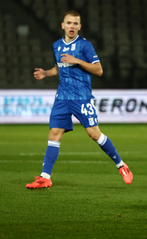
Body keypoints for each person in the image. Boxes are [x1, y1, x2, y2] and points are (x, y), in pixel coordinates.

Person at [26, 11, 133, 189]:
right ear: (63, 25)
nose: (72, 27)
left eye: (75, 24)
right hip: (62, 97)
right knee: (54, 134)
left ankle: (121, 165)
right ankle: (45, 177)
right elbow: (59, 68)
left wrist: (78, 60)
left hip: (82, 97)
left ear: (79, 26)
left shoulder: (85, 46)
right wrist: (47, 73)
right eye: (69, 23)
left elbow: (99, 70)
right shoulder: (56, 46)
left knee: (94, 134)